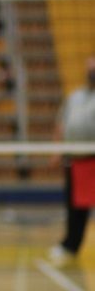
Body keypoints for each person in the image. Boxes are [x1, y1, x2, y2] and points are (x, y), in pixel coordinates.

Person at [49, 55, 95, 265]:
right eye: (90, 68)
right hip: (76, 160)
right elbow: (61, 124)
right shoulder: (75, 97)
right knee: (75, 207)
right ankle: (70, 245)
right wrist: (57, 151)